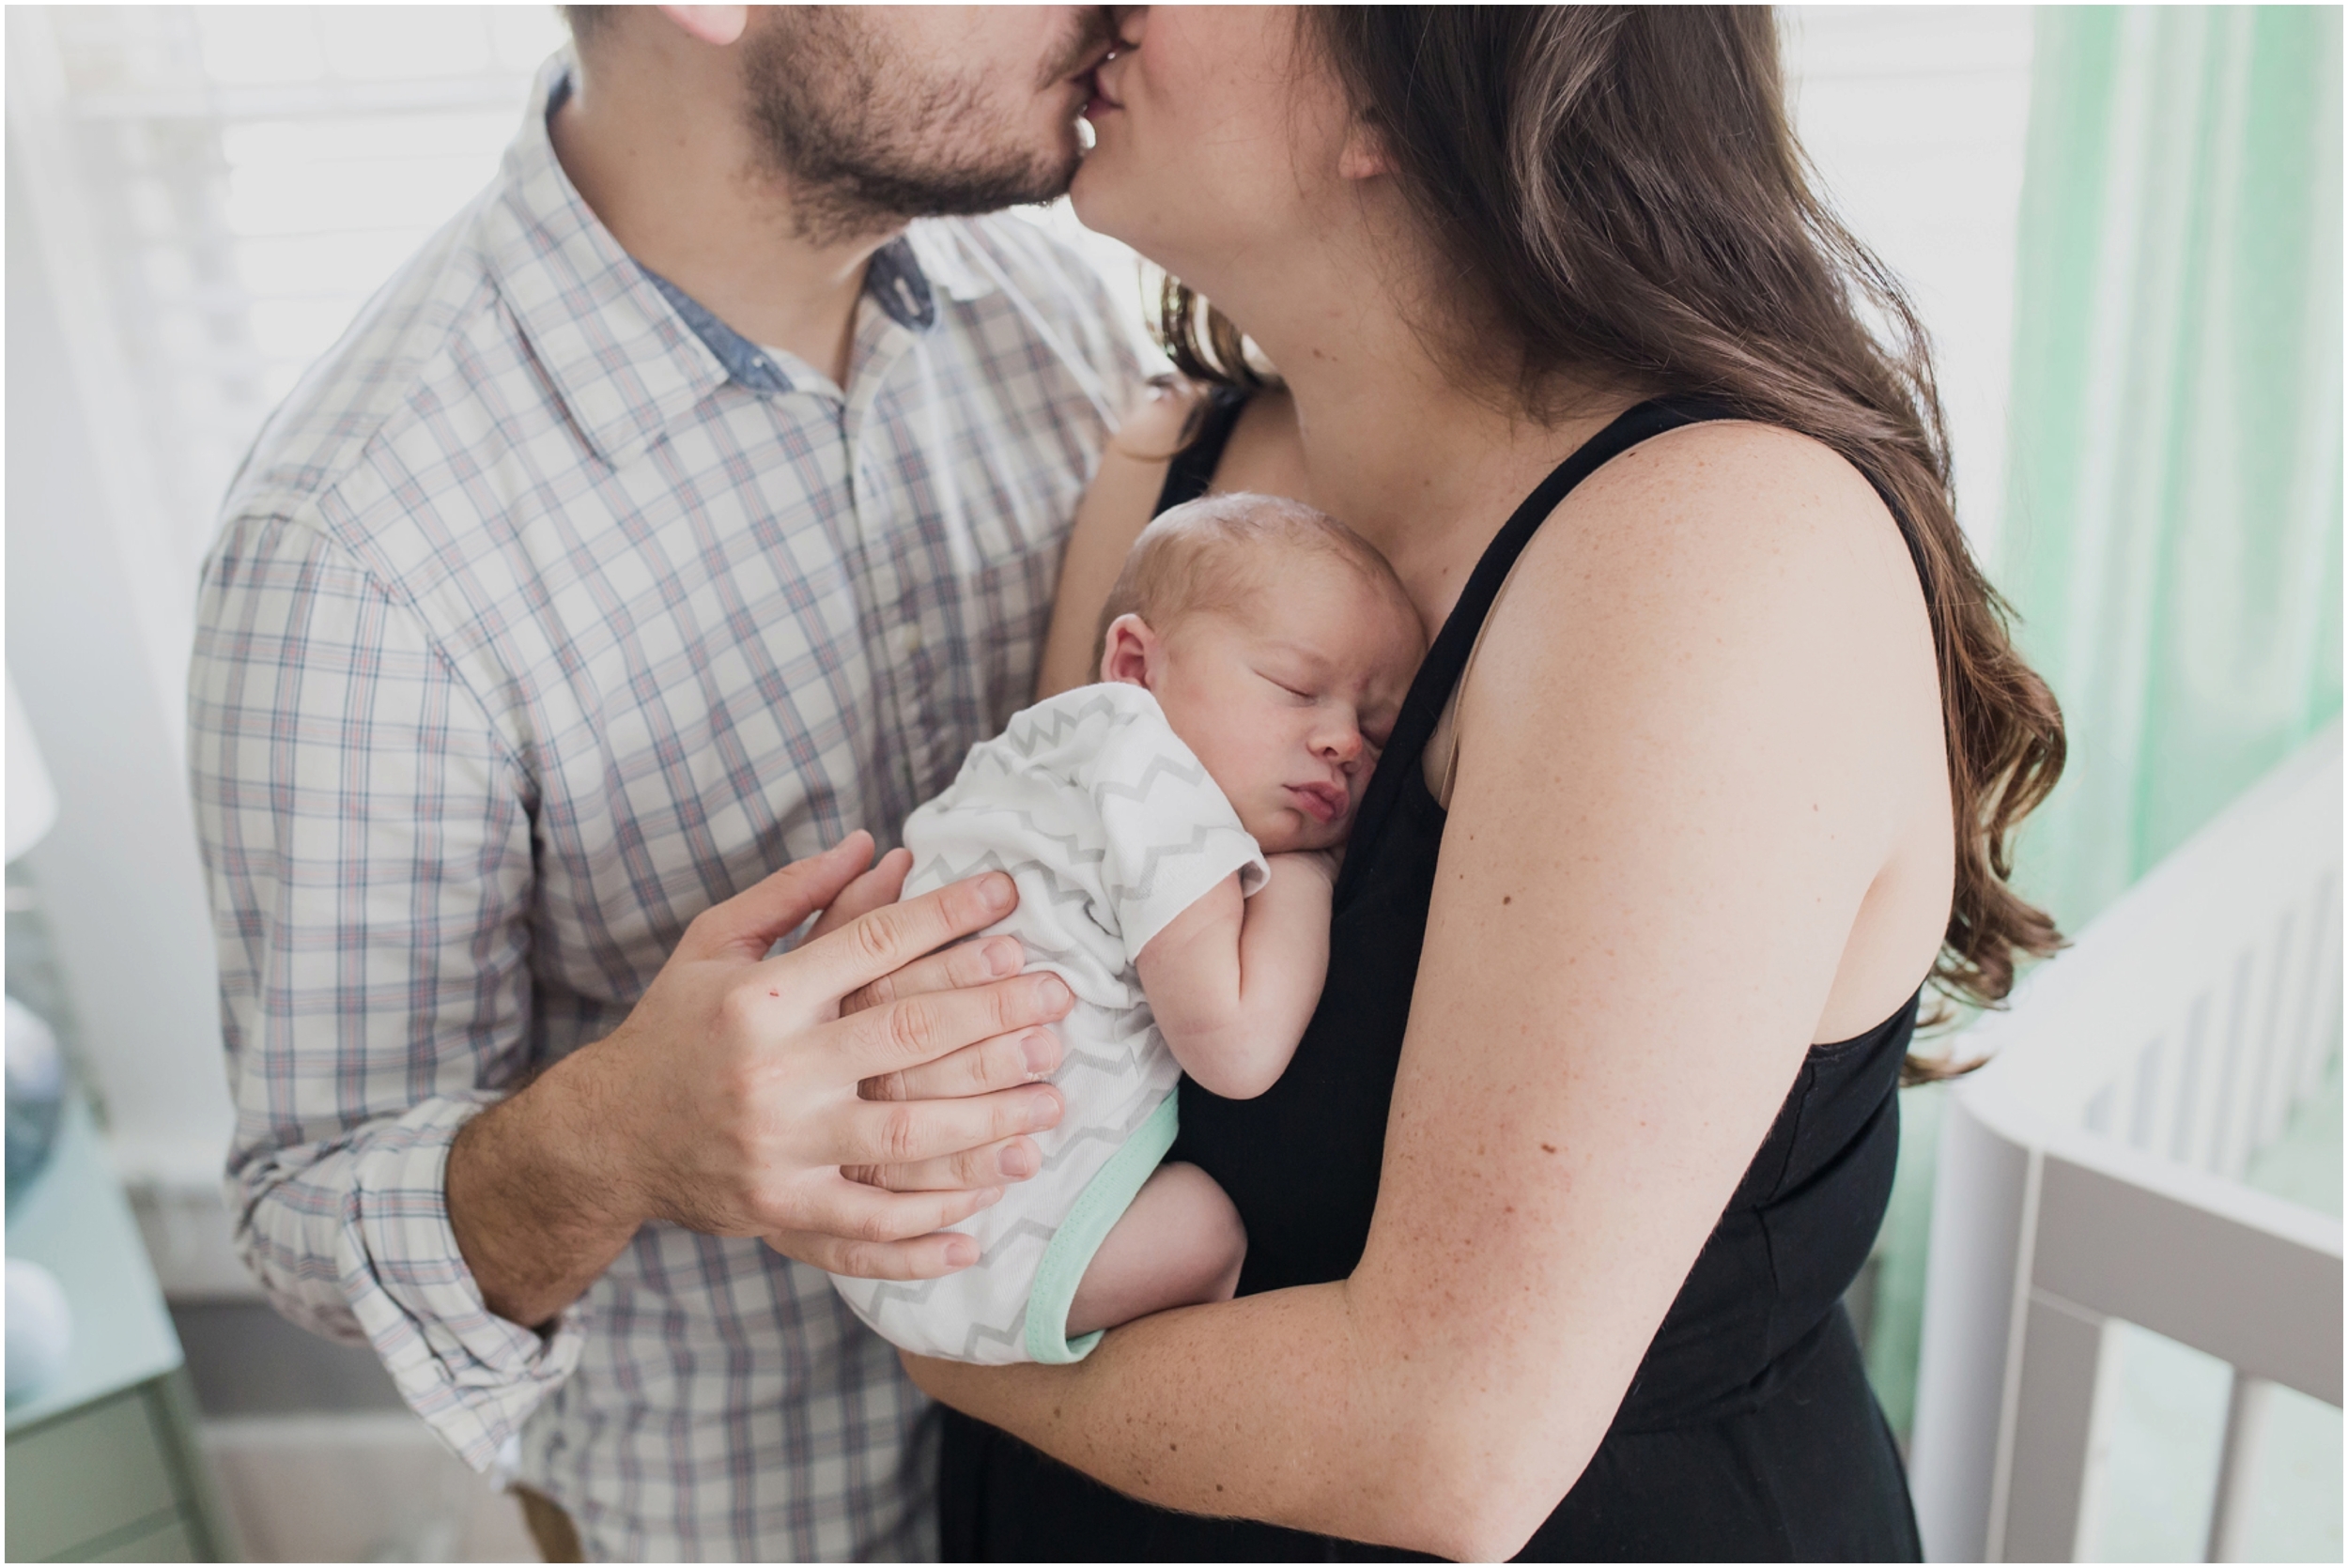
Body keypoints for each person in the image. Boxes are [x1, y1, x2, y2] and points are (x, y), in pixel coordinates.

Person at [906, 8, 2068, 1560]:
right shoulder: (1174, 469)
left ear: (1402, 75)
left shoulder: (1720, 553)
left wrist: (936, 1338)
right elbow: (1038, 1018)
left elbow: (1442, 1445)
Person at [186, 6, 1144, 1559]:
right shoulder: (358, 550)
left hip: (1117, 1480)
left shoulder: (1057, 318)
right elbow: (307, 1207)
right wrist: (616, 1141)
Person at [828, 494, 1422, 1365]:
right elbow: (1239, 1050)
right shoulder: (1148, 771)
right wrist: (1304, 878)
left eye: (1376, 732)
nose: (1341, 741)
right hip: (973, 1260)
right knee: (1207, 1227)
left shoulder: (1038, 756)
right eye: (1297, 689)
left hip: (870, 1206)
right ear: (1137, 667)